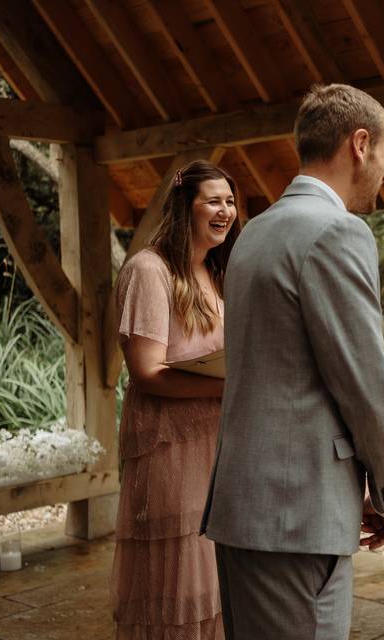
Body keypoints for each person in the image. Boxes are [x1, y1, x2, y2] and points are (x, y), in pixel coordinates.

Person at [200, 83, 384, 640]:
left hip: (244, 503)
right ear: (359, 144)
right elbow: (367, 386)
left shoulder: (255, 233)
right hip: (299, 514)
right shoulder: (338, 231)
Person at [111, 160, 240, 639]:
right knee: (179, 570)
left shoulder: (213, 271)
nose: (225, 210)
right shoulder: (149, 270)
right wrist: (229, 385)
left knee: (212, 568)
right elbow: (147, 373)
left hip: (215, 442)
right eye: (213, 200)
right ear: (185, 206)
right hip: (169, 446)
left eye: (230, 200)